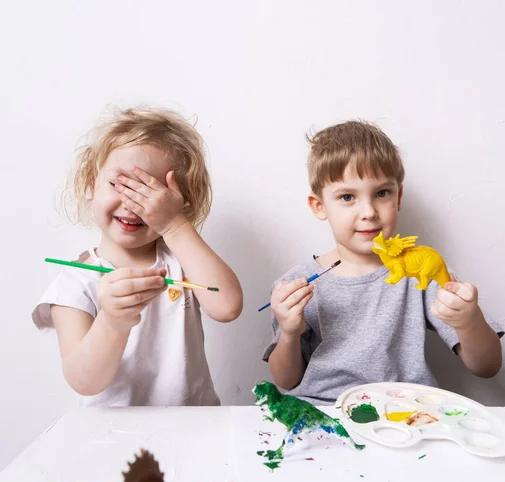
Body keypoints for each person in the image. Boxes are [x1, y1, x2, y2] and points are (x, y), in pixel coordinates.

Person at [263, 120, 503, 405]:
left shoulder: (418, 272)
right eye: (347, 197)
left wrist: (468, 321)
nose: (368, 212)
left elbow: (487, 367)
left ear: (398, 197)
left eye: (381, 193)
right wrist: (289, 332)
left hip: (406, 414)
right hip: (327, 413)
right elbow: (286, 380)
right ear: (319, 206)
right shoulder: (296, 283)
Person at [33, 106, 243, 407]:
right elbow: (84, 382)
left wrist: (174, 224)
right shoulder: (75, 282)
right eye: (120, 185)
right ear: (91, 182)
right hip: (114, 441)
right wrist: (112, 321)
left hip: (194, 431)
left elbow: (227, 306)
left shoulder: (182, 260)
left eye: (152, 193)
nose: (133, 204)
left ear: (179, 202)